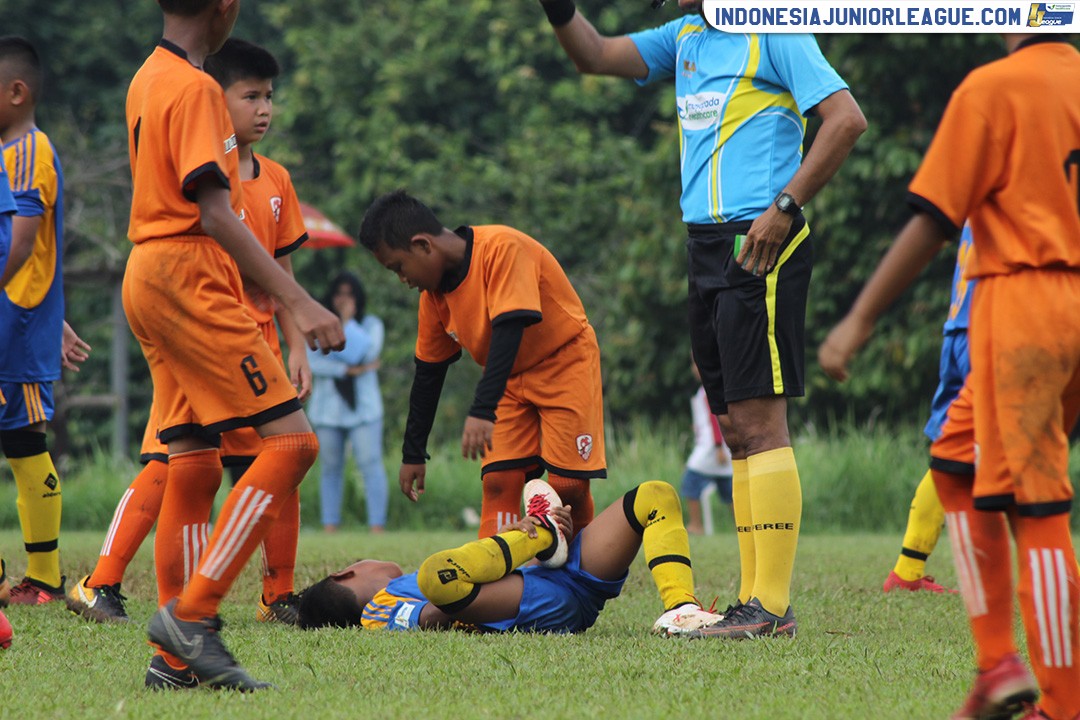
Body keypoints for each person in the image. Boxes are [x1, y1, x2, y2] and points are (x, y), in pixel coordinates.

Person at [535, 0, 866, 638]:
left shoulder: (774, 29)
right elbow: (595, 54)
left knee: (761, 423)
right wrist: (559, 10)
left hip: (759, 238)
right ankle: (753, 603)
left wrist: (786, 206)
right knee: (736, 427)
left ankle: (769, 608)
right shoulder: (684, 35)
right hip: (705, 246)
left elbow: (846, 120)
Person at [819, 34, 1080, 720]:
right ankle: (995, 664)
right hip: (1070, 311)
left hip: (1024, 302)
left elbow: (934, 218)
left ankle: (1062, 704)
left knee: (1037, 503)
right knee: (953, 461)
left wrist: (860, 319)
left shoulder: (994, 87)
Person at [123, 0, 342, 691]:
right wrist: (298, 301)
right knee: (292, 444)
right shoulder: (194, 90)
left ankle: (174, 661)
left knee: (191, 462)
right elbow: (215, 211)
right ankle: (195, 616)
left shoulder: (147, 76)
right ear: (224, 7)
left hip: (146, 274)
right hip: (188, 275)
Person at [66, 38, 314, 629]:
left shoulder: (275, 181)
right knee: (182, 461)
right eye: (249, 95)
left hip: (242, 335)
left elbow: (282, 267)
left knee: (230, 462)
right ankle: (121, 587)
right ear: (217, 101)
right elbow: (210, 218)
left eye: (269, 97)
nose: (263, 109)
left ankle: (263, 598)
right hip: (193, 313)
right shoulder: (192, 108)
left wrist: (298, 335)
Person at [358, 190, 605, 540]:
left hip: (564, 362)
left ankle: (583, 573)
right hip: (507, 380)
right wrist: (413, 451)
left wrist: (482, 409)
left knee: (568, 486)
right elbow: (428, 373)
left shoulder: (502, 247)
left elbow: (510, 329)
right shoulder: (433, 297)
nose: (402, 278)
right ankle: (496, 580)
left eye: (398, 267)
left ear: (423, 245)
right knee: (498, 482)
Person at [298, 478, 723, 637]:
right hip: (538, 604)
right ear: (345, 574)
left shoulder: (393, 591)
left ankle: (681, 609)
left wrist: (542, 550)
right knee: (436, 576)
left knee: (654, 496)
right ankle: (539, 534)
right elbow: (431, 616)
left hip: (557, 573)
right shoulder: (377, 610)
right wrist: (521, 540)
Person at [0, 35, 68, 606]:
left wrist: (44, 319)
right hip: (19, 320)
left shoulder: (26, 150)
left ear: (16, 92)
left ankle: (43, 579)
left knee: (24, 440)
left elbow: (22, 246)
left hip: (15, 330)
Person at [882, 226, 975, 596]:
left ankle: (907, 570)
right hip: (992, 329)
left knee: (949, 452)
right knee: (1025, 450)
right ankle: (1065, 578)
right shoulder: (1034, 179)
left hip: (957, 331)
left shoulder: (979, 184)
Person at [307, 271, 388, 534]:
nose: (343, 299)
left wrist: (346, 322)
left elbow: (366, 353)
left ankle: (377, 525)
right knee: (330, 467)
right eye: (338, 294)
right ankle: (330, 524)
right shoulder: (317, 324)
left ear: (358, 297)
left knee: (370, 464)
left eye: (349, 294)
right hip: (328, 411)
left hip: (364, 410)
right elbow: (314, 363)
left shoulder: (371, 324)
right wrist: (347, 370)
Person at [681, 362, 732, 536]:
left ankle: (696, 525)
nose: (693, 368)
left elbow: (716, 419)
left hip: (712, 448)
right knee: (729, 491)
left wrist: (718, 446)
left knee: (690, 482)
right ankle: (743, 526)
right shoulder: (705, 390)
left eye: (696, 363)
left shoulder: (709, 391)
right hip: (714, 447)